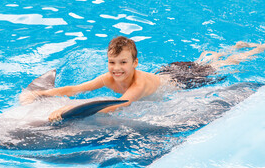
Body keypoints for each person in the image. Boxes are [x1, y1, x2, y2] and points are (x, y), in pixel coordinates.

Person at [19, 36, 264, 122]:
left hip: (183, 80)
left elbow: (118, 105)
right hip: (168, 71)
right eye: (112, 62)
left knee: (217, 65)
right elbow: (75, 87)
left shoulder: (137, 85)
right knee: (208, 60)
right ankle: (232, 48)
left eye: (123, 63)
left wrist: (69, 109)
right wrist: (39, 94)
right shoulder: (109, 78)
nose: (117, 69)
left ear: (135, 64)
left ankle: (251, 50)